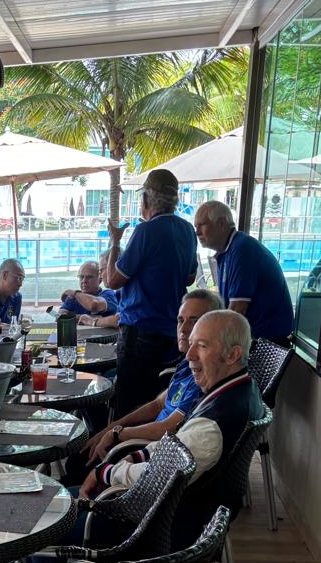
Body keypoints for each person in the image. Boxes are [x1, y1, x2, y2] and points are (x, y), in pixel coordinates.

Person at [79, 310, 264, 509]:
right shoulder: (243, 388)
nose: (189, 354)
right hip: (167, 504)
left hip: (154, 518)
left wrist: (103, 472)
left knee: (61, 509)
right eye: (191, 343)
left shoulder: (211, 425)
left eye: (202, 346)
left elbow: (155, 478)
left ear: (233, 355)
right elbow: (178, 443)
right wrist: (137, 456)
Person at [83, 289, 222, 464]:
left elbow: (169, 428)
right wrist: (113, 426)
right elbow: (157, 404)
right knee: (83, 450)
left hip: (152, 455)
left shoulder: (202, 378)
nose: (184, 329)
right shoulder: (187, 363)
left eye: (194, 321)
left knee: (79, 461)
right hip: (144, 440)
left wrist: (117, 433)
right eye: (181, 320)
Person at [102, 168, 199, 416]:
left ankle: (119, 440)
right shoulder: (187, 231)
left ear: (146, 199)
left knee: (129, 404)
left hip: (140, 332)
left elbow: (112, 281)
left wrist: (115, 242)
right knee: (157, 402)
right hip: (171, 332)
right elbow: (190, 277)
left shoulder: (145, 231)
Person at [194, 200, 294, 343]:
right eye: (195, 227)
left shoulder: (242, 249)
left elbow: (237, 309)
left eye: (202, 225)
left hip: (267, 343)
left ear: (221, 223)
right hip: (256, 337)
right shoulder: (229, 250)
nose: (197, 232)